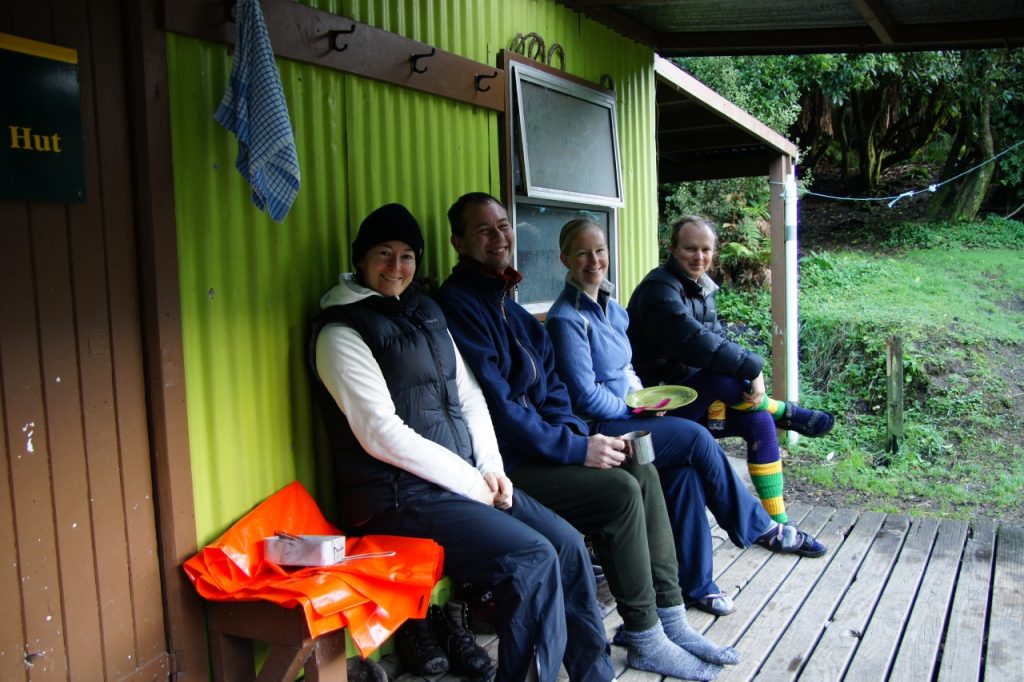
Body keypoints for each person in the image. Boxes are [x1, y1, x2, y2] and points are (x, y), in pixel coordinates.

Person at [437, 192, 738, 681]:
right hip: (505, 466)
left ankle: (669, 618)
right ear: (458, 241)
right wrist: (577, 448)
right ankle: (642, 634)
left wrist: (581, 440)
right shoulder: (459, 307)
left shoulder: (510, 309)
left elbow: (553, 389)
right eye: (483, 230)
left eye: (503, 226)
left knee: (638, 462)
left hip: (546, 447)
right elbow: (500, 407)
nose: (499, 237)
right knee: (619, 491)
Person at [309, 203, 613, 682]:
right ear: (361, 259)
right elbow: (380, 434)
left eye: (407, 255)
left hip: (462, 484)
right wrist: (472, 482)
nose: (396, 266)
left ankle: (595, 674)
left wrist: (492, 468)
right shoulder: (340, 331)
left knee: (568, 545)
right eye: (384, 254)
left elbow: (469, 395)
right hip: (396, 498)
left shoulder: (426, 312)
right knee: (530, 561)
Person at [546, 218, 828, 617]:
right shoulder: (567, 319)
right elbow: (584, 396)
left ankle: (697, 585)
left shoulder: (609, 308)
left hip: (635, 410)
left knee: (685, 472)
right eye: (582, 253)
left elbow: (626, 370)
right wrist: (632, 407)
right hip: (602, 430)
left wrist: (642, 395)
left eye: (600, 251)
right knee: (695, 439)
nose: (594, 261)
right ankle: (760, 524)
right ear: (564, 259)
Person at [628, 215, 834, 529]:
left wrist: (750, 372)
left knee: (759, 421)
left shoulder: (700, 288)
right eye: (690, 249)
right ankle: (784, 411)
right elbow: (698, 345)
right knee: (722, 377)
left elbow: (718, 342)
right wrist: (754, 366)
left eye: (706, 249)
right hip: (657, 408)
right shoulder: (659, 291)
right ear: (671, 248)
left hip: (693, 396)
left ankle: (778, 522)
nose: (699, 257)